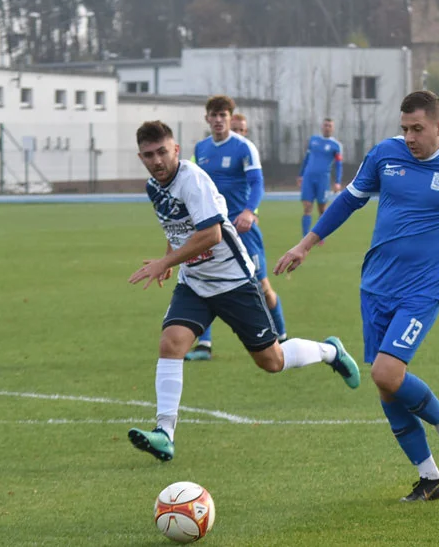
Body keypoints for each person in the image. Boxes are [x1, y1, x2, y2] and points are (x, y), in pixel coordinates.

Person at [274, 90, 439, 502]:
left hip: (424, 288)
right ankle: (429, 478)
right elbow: (349, 200)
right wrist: (305, 244)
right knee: (388, 388)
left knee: (385, 373)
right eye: (404, 129)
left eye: (417, 129)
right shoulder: (385, 155)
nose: (410, 137)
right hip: (376, 285)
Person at [126, 120, 360, 462]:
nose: (157, 160)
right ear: (141, 157)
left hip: (233, 281)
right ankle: (164, 433)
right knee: (171, 343)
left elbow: (211, 235)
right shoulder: (154, 187)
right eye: (149, 155)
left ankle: (330, 352)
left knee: (271, 361)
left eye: (163, 151)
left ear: (175, 149)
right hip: (194, 282)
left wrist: (164, 263)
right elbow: (177, 226)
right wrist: (171, 260)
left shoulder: (192, 180)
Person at [184, 96, 287, 362]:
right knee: (202, 280)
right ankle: (204, 345)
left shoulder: (244, 147)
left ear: (230, 117)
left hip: (241, 231)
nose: (218, 120)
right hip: (211, 230)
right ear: (207, 118)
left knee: (261, 287)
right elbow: (194, 185)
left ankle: (283, 337)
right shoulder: (201, 148)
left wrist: (249, 212)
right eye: (213, 115)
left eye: (223, 115)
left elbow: (257, 183)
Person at [298, 118, 343, 237]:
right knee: (307, 207)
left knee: (322, 209)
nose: (327, 127)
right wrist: (301, 174)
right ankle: (305, 236)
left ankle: (319, 235)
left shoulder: (336, 145)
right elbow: (306, 159)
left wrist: (338, 182)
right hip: (308, 177)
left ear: (332, 128)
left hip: (323, 179)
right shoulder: (313, 140)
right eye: (325, 125)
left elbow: (339, 165)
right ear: (322, 127)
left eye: (330, 126)